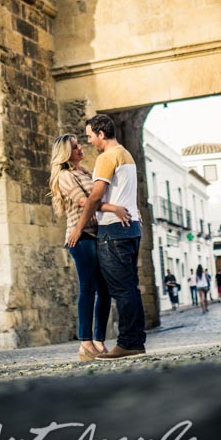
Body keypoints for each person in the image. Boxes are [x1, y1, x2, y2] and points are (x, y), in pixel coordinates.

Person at [67, 113, 147, 359]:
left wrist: (79, 228)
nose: (89, 141)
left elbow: (94, 197)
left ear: (101, 134)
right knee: (130, 288)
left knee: (122, 290)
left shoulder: (106, 157)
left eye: (90, 136)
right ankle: (135, 340)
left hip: (113, 231)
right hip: (131, 228)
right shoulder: (126, 154)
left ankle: (128, 343)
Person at [49, 133, 131, 362]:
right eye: (74, 147)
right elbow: (86, 202)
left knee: (104, 290)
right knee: (88, 289)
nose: (79, 148)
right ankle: (85, 342)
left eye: (78, 145)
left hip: (95, 235)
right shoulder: (65, 176)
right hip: (80, 237)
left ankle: (98, 341)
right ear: (66, 153)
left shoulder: (84, 171)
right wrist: (114, 208)